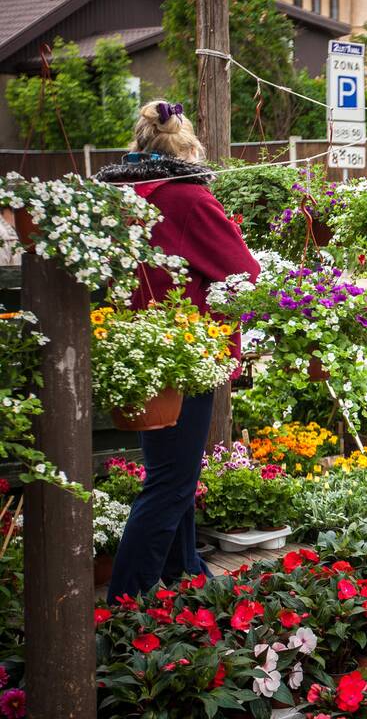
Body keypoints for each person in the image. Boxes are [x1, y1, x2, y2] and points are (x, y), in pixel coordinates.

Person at [97, 100, 261, 603]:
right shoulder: (188, 198)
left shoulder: (124, 195)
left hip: (141, 348)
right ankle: (127, 599)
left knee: (173, 472)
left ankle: (184, 569)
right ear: (189, 150)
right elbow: (243, 273)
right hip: (188, 351)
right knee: (170, 481)